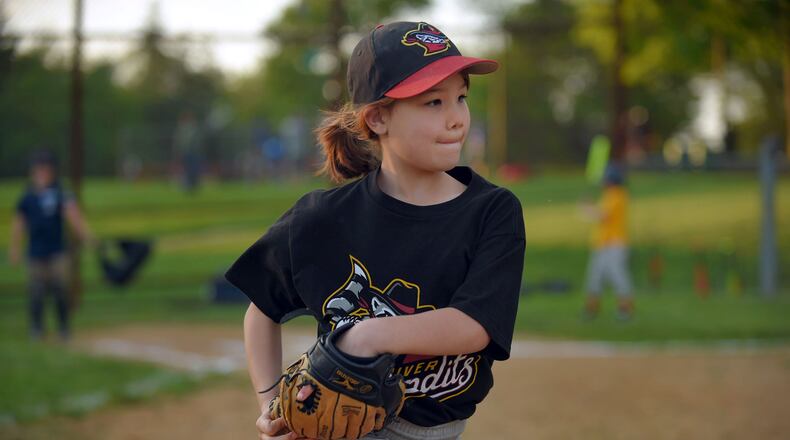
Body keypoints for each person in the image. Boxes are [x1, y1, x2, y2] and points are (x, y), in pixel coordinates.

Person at [225, 21, 526, 440]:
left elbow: (474, 325)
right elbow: (261, 309)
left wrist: (367, 335)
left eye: (461, 97)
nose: (457, 119)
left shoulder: (491, 211)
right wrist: (270, 403)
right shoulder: (322, 218)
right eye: (433, 103)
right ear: (379, 117)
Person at [8, 150, 94, 341]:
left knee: (59, 289)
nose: (40, 173)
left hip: (57, 251)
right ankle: (37, 329)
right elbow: (19, 223)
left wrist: (86, 236)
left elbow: (73, 215)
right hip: (35, 252)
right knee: (36, 291)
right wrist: (14, 248)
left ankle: (64, 328)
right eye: (38, 169)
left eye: (44, 168)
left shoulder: (61, 192)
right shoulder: (28, 196)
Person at [580, 163, 634, 321]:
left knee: (618, 277)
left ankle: (625, 310)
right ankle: (591, 310)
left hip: (614, 244)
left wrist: (587, 208)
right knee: (594, 277)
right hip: (602, 244)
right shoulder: (609, 195)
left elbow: (604, 216)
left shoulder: (618, 194)